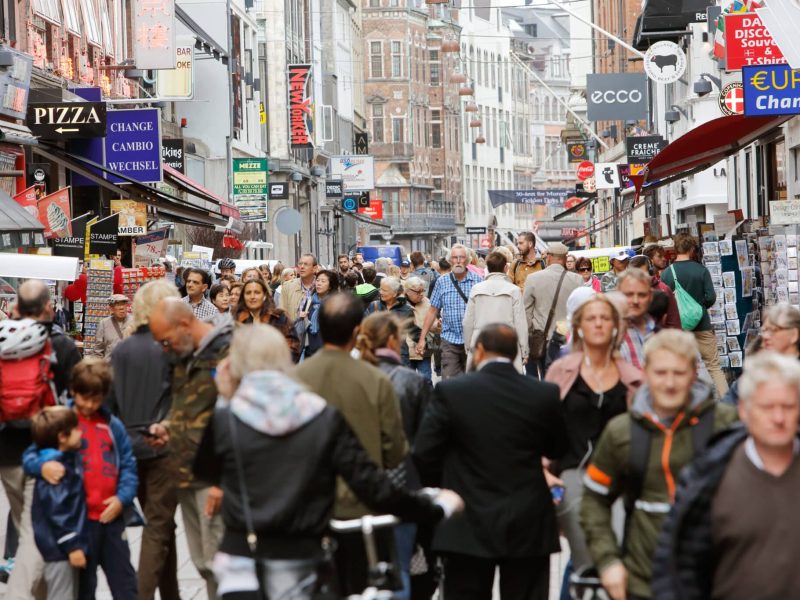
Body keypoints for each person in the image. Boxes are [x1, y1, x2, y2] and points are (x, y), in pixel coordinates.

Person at [193, 323, 460, 600]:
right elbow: (372, 486)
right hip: (303, 561)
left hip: (241, 567)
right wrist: (434, 508)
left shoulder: (226, 418)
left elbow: (204, 471)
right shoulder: (319, 416)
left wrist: (225, 398)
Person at [414, 324, 570, 600]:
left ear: (480, 350)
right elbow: (558, 447)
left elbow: (425, 453)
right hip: (527, 516)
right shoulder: (543, 393)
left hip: (466, 516)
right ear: (513, 354)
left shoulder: (452, 391)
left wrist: (442, 490)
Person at [580, 330, 738, 600]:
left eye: (678, 373)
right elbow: (594, 499)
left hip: (714, 581)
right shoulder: (622, 432)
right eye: (661, 373)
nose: (669, 383)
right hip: (643, 581)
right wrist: (607, 561)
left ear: (693, 372)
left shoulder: (726, 425)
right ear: (646, 373)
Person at [652, 352, 800, 600]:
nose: (778, 418)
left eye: (788, 406)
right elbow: (676, 564)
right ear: (744, 410)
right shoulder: (710, 474)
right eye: (767, 407)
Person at [294, 293, 408, 595]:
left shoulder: (294, 379)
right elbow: (395, 452)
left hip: (307, 507)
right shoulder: (375, 381)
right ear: (357, 331)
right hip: (363, 509)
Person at [544, 295, 643, 583]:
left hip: (619, 478)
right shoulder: (560, 372)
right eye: (591, 318)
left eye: (605, 318)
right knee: (588, 556)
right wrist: (544, 472)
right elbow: (540, 426)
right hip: (572, 474)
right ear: (579, 326)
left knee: (615, 551)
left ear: (615, 327)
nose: (598, 323)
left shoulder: (633, 378)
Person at [25, 358, 139, 600]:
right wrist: (43, 466)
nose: (89, 405)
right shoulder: (60, 421)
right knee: (83, 589)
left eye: (96, 399)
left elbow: (128, 464)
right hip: (79, 522)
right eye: (84, 398)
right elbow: (30, 457)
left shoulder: (112, 425)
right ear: (73, 391)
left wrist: (122, 498)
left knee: (126, 585)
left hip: (111, 519)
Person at [147, 298, 231, 599]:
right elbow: (188, 407)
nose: (164, 348)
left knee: (220, 561)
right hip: (186, 470)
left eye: (165, 340)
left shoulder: (226, 352)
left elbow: (237, 417)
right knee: (203, 562)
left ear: (183, 325)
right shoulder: (185, 354)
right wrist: (167, 427)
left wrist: (222, 478)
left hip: (212, 477)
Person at [2, 281, 81, 600]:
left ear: (16, 308)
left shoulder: (3, 342)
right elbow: (78, 396)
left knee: (27, 528)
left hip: (6, 453)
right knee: (36, 535)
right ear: (49, 307)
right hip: (47, 449)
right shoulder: (60, 345)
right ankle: (18, 594)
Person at [106, 280, 182, 600]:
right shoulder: (171, 349)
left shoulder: (122, 350)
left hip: (130, 447)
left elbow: (110, 404)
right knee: (158, 525)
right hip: (163, 445)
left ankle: (172, 594)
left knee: (162, 525)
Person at [356, 313, 433, 600]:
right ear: (392, 340)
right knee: (400, 568)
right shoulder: (412, 382)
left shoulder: (351, 379)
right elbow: (427, 444)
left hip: (356, 487)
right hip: (402, 487)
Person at [29, 406, 86, 600]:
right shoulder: (57, 468)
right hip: (58, 548)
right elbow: (57, 511)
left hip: (57, 546)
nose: (81, 432)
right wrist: (72, 545)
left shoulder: (61, 460)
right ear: (63, 436)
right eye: (77, 428)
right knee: (61, 594)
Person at [660, 233, 728, 396]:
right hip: (702, 325)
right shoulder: (701, 270)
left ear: (676, 250)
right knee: (713, 366)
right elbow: (710, 297)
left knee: (681, 367)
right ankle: (726, 402)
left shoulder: (667, 273)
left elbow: (663, 300)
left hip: (679, 328)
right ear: (692, 249)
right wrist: (700, 308)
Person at [415, 244, 482, 379]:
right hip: (449, 340)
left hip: (472, 341)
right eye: (455, 257)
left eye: (461, 257)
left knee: (473, 383)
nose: (458, 261)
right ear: (450, 260)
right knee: (449, 381)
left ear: (467, 260)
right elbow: (432, 311)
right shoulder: (442, 282)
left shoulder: (478, 281)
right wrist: (422, 339)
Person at [722, 302, 800, 406]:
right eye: (764, 330)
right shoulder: (757, 368)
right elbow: (727, 406)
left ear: (794, 335)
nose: (766, 336)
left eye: (774, 330)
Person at [523, 242, 583, 377]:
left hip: (542, 339)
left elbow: (526, 312)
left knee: (544, 378)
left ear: (548, 257)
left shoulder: (533, 279)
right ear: (564, 257)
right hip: (568, 340)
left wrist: (529, 335)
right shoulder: (577, 280)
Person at [463, 251, 528, 372]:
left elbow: (468, 321)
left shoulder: (476, 289)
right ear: (506, 267)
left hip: (481, 340)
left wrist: (468, 345)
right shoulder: (514, 290)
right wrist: (524, 350)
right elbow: (520, 322)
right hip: (507, 341)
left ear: (488, 267)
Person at [234, 279, 300, 362]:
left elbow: (292, 347)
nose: (252, 296)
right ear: (243, 296)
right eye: (248, 293)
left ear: (264, 295)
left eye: (257, 292)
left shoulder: (279, 317)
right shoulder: (236, 319)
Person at [617, 268, 657, 370]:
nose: (635, 301)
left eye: (642, 295)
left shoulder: (659, 332)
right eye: (629, 294)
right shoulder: (608, 334)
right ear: (618, 294)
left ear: (650, 296)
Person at [629, 255, 681, 330]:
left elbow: (674, 321)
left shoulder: (664, 289)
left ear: (650, 272)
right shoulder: (627, 291)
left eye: (642, 274)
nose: (638, 278)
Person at [402, 276, 438, 382]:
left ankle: (428, 398)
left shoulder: (426, 302)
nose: (422, 294)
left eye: (423, 291)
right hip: (406, 351)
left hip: (422, 349)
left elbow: (432, 323)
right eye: (418, 292)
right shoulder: (399, 304)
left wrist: (437, 325)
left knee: (426, 379)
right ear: (407, 291)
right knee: (409, 381)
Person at [303, 268, 340, 358]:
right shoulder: (309, 301)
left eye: (323, 281)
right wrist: (302, 318)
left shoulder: (336, 303)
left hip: (330, 351)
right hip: (310, 349)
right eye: (317, 280)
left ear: (330, 285)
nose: (318, 283)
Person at [89, 294, 132, 359]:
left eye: (123, 304)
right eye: (118, 305)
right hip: (110, 366)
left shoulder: (135, 321)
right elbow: (97, 351)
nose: (121, 308)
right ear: (111, 308)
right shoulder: (104, 324)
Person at [279, 254, 316, 321]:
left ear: (314, 268)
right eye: (300, 264)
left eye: (306, 264)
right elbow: (282, 312)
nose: (302, 267)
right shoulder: (287, 286)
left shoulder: (322, 286)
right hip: (294, 329)